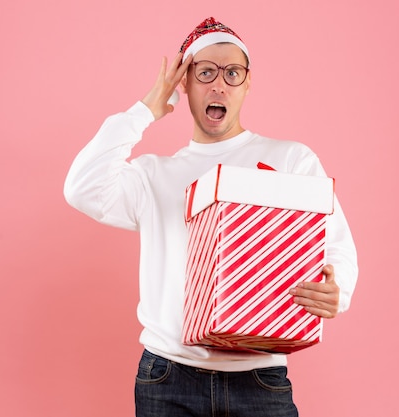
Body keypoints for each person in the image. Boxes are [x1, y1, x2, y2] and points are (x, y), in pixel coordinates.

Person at [64, 17, 358, 417]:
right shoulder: (153, 176)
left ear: (248, 83)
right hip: (167, 378)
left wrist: (336, 292)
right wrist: (146, 109)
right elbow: (81, 186)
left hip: (259, 375)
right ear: (184, 83)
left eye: (232, 73)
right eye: (205, 72)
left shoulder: (291, 159)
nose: (219, 84)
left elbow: (335, 245)